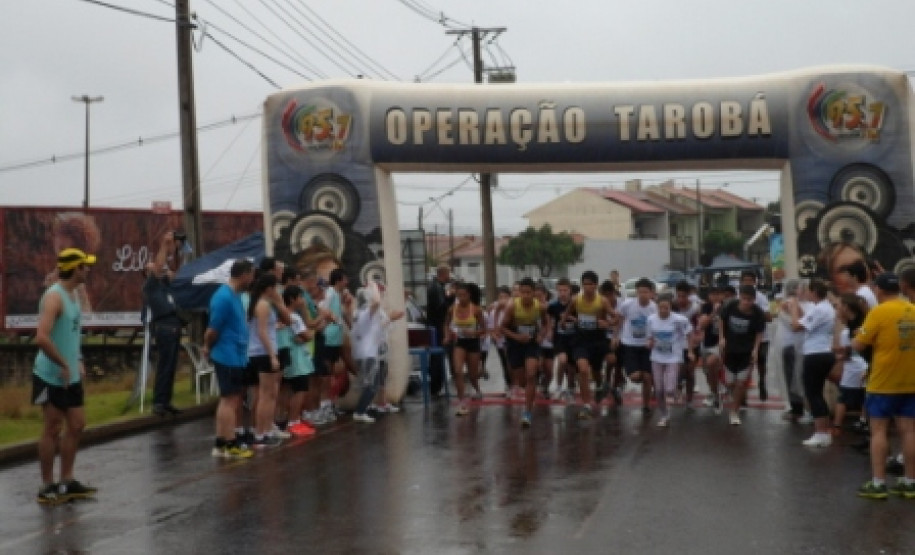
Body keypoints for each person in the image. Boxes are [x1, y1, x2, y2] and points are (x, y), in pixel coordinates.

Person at [34, 248, 98, 504]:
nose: (88, 270)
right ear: (74, 268)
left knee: (77, 424)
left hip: (70, 375)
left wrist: (78, 360)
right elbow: (41, 337)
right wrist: (61, 362)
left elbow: (72, 333)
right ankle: (47, 486)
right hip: (50, 374)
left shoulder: (74, 295)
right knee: (52, 428)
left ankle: (67, 481)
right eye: (84, 266)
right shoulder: (54, 298)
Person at [852, 272, 915, 499]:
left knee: (878, 430)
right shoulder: (913, 310)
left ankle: (878, 483)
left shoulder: (878, 312)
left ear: (879, 290)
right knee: (909, 431)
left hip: (883, 381)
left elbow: (859, 345)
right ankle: (910, 481)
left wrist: (856, 335)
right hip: (910, 379)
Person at [203, 259, 255, 459]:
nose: (251, 280)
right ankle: (230, 442)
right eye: (250, 275)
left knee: (230, 399)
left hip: (236, 354)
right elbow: (212, 329)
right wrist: (207, 347)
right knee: (230, 399)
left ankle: (221, 442)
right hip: (227, 354)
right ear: (243, 275)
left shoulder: (235, 295)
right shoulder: (223, 297)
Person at [791, 279, 836, 446]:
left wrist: (794, 307)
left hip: (816, 353)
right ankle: (823, 432)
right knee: (817, 393)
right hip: (823, 351)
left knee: (813, 393)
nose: (806, 293)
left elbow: (796, 326)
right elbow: (808, 322)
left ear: (814, 292)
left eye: (808, 290)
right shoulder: (825, 308)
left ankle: (821, 433)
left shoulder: (820, 309)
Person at [564, 271, 615, 419]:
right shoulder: (576, 300)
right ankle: (586, 404)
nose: (588, 287)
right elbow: (567, 313)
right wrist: (565, 322)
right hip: (581, 340)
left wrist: (608, 323)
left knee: (601, 368)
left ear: (595, 285)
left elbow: (616, 318)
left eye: (591, 284)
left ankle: (601, 386)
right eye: (585, 284)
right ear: (582, 285)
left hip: (598, 340)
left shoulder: (602, 301)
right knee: (583, 370)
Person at [352, 280, 404, 422]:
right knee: (371, 385)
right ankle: (360, 411)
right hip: (368, 353)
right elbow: (376, 309)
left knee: (373, 383)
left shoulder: (362, 313)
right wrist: (390, 318)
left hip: (370, 351)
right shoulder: (365, 314)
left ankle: (365, 408)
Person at [501, 278, 549, 428]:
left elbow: (546, 324)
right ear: (519, 292)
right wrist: (517, 337)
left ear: (534, 293)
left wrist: (541, 335)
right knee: (522, 381)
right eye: (523, 292)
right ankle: (529, 390)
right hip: (515, 343)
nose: (526, 295)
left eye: (529, 292)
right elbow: (502, 328)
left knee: (531, 374)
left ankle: (527, 411)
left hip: (531, 343)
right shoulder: (512, 306)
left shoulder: (540, 307)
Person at [719, 284, 766, 425]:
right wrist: (722, 337)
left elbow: (759, 332)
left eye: (750, 300)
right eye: (744, 299)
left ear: (754, 300)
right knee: (730, 382)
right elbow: (722, 319)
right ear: (740, 297)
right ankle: (727, 391)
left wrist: (756, 349)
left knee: (741, 383)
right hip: (730, 349)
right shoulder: (730, 306)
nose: (746, 302)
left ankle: (734, 411)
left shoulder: (757, 313)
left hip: (746, 351)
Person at [646, 293, 694, 427]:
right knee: (659, 390)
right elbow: (649, 337)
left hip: (673, 356)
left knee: (669, 390)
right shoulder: (651, 320)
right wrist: (649, 343)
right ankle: (664, 415)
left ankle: (676, 390)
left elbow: (690, 333)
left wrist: (689, 351)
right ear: (657, 307)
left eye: (666, 308)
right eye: (661, 308)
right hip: (656, 357)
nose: (663, 310)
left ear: (670, 307)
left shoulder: (679, 320)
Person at [142, 262, 183, 417]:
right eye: (153, 268)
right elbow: (158, 268)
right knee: (164, 366)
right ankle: (159, 402)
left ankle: (167, 401)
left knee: (171, 367)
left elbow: (174, 272)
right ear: (147, 272)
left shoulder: (163, 286)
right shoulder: (150, 286)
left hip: (174, 326)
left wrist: (178, 248)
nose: (159, 269)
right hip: (164, 327)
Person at [613, 278, 658, 413]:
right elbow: (619, 320)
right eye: (640, 292)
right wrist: (615, 336)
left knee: (647, 377)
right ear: (636, 293)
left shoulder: (654, 308)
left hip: (646, 346)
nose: (642, 295)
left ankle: (646, 405)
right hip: (629, 344)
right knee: (635, 376)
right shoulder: (627, 305)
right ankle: (622, 384)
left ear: (651, 293)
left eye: (645, 292)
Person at [444, 282, 486, 415]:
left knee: (473, 375)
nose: (461, 298)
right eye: (459, 295)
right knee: (458, 371)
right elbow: (446, 324)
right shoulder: (452, 309)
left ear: (469, 295)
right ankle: (461, 400)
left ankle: (477, 389)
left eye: (464, 295)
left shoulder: (476, 309)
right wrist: (447, 335)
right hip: (460, 342)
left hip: (473, 343)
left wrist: (474, 333)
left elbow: (484, 329)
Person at [281, 286, 316, 436]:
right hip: (297, 359)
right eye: (300, 297)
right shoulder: (293, 317)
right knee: (300, 390)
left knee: (294, 390)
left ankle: (293, 419)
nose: (303, 300)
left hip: (294, 357)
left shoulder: (288, 315)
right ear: (292, 299)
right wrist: (313, 332)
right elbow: (306, 335)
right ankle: (293, 421)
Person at [831, 294, 868, 436]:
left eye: (838, 306)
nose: (836, 309)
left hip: (854, 367)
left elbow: (850, 350)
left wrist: (837, 354)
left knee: (843, 397)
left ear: (846, 308)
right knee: (866, 396)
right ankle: (864, 421)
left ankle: (837, 426)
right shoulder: (861, 323)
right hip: (864, 366)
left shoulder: (850, 330)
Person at [319, 268, 354, 420]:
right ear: (338, 280)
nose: (347, 282)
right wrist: (328, 321)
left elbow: (343, 314)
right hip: (328, 338)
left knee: (333, 372)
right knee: (326, 373)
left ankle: (331, 404)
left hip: (336, 338)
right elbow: (321, 308)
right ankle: (324, 405)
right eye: (345, 279)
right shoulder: (329, 293)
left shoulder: (338, 295)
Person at [740, 270, 773, 401]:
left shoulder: (761, 297)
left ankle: (762, 383)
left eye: (751, 280)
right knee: (745, 365)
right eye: (745, 280)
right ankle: (743, 394)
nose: (748, 283)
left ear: (755, 282)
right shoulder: (738, 297)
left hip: (762, 336)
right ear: (741, 282)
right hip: (744, 337)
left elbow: (769, 317)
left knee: (761, 362)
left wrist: (756, 311)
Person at [672, 280, 701, 406]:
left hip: (692, 342)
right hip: (677, 344)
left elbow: (699, 325)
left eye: (683, 296)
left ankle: (689, 398)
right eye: (678, 296)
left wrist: (698, 337)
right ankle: (678, 385)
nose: (680, 299)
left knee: (690, 371)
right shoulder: (672, 307)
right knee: (680, 370)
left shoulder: (695, 308)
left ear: (689, 295)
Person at [548, 278, 577, 403]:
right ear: (556, 291)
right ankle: (559, 387)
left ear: (570, 290)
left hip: (574, 338)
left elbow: (581, 320)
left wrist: (571, 318)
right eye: (560, 290)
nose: (563, 293)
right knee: (562, 360)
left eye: (565, 290)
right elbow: (549, 319)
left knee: (571, 367)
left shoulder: (576, 304)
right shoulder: (554, 306)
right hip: (559, 338)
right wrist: (549, 330)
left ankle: (570, 389)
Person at [696, 285, 725, 413]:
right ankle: (714, 392)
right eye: (713, 294)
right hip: (706, 343)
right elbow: (702, 325)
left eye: (718, 294)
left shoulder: (727, 307)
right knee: (707, 371)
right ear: (708, 296)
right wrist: (713, 313)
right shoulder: (706, 307)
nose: (715, 297)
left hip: (720, 344)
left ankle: (718, 390)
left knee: (711, 363)